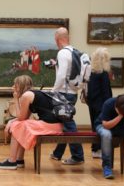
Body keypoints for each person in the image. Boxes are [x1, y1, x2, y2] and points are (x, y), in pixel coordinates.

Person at [0, 75, 63, 170]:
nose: (13, 87)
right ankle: (19, 160)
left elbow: (20, 118)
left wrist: (15, 99)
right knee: (19, 125)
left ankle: (12, 161)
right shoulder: (31, 94)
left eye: (15, 85)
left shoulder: (26, 96)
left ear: (20, 85)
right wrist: (11, 121)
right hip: (56, 125)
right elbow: (24, 118)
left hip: (52, 125)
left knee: (17, 125)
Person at [49, 27, 84, 165]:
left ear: (57, 39)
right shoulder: (74, 51)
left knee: (68, 124)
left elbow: (62, 75)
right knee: (64, 122)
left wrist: (53, 91)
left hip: (63, 94)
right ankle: (58, 153)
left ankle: (78, 156)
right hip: (73, 93)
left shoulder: (62, 53)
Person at [87, 47, 112, 158]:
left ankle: (95, 149)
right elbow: (107, 93)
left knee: (94, 126)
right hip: (102, 105)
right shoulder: (104, 74)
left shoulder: (91, 73)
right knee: (102, 128)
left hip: (92, 104)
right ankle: (99, 149)